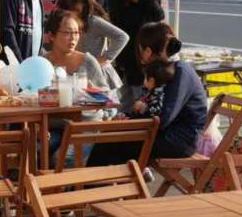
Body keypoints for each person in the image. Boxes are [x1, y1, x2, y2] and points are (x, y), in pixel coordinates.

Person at [86, 22, 206, 166]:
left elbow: (163, 118)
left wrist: (130, 122)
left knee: (110, 143)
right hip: (165, 134)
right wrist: (127, 118)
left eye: (140, 49)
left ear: (148, 51)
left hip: (178, 140)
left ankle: (97, 186)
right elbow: (152, 111)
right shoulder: (165, 70)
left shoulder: (180, 71)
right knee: (109, 139)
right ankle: (114, 184)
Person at [106, 0, 165, 111]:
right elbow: (158, 14)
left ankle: (124, 133)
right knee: (142, 99)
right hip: (141, 49)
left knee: (125, 99)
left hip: (123, 49)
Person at [44, 10, 108, 159]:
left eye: (76, 33)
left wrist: (91, 93)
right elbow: (33, 96)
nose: (73, 38)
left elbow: (108, 99)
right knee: (37, 151)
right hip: (55, 126)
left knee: (65, 158)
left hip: (86, 126)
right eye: (67, 33)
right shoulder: (43, 64)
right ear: (51, 36)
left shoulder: (88, 61)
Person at [56, 0, 128, 93]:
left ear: (79, 8)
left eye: (68, 11)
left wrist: (105, 58)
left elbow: (122, 37)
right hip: (82, 73)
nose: (65, 15)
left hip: (100, 73)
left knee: (105, 106)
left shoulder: (93, 21)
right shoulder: (70, 23)